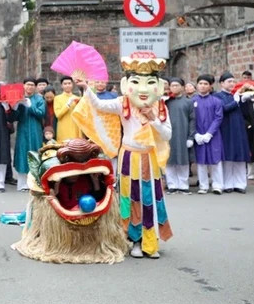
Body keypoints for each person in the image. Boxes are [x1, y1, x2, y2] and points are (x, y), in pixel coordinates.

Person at [72, 57, 172, 259]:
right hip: (128, 157)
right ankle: (134, 240)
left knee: (149, 199)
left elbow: (167, 134)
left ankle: (150, 242)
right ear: (127, 85)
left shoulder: (160, 107)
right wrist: (85, 88)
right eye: (136, 82)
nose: (143, 89)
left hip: (149, 159)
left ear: (159, 87)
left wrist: (153, 120)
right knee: (130, 198)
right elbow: (99, 105)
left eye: (150, 83)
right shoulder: (122, 103)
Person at [215, 72, 250, 193]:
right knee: (228, 157)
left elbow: (246, 113)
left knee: (240, 156)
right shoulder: (218, 96)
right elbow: (223, 109)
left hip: (239, 128)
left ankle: (240, 184)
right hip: (226, 129)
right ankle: (228, 184)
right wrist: (235, 101)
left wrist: (244, 100)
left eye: (233, 81)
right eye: (229, 81)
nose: (232, 84)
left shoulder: (237, 95)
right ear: (222, 83)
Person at [11, 78, 46, 191]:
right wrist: (15, 107)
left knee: (35, 153)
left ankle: (35, 183)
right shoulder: (19, 98)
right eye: (27, 84)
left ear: (35, 87)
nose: (30, 87)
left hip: (36, 130)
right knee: (22, 154)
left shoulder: (39, 99)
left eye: (32, 85)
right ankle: (22, 184)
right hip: (23, 130)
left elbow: (41, 113)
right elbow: (14, 117)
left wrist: (30, 106)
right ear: (24, 86)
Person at [192, 75, 224, 194]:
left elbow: (218, 118)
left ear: (210, 86)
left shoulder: (216, 101)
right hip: (198, 134)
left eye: (206, 84)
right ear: (197, 85)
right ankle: (203, 185)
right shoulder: (192, 101)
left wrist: (209, 133)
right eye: (200, 83)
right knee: (201, 161)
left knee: (215, 159)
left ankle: (218, 185)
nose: (203, 86)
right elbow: (190, 119)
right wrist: (195, 134)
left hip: (213, 135)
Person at [164, 78, 195, 194]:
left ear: (182, 87)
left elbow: (193, 120)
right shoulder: (167, 102)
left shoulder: (188, 102)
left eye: (177, 85)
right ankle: (172, 185)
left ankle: (183, 184)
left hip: (183, 133)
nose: (174, 88)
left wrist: (191, 137)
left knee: (183, 160)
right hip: (168, 134)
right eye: (172, 85)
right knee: (169, 160)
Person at [240, 71, 254, 180]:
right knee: (250, 149)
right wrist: (247, 124)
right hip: (249, 125)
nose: (247, 79)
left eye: (248, 77)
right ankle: (251, 172)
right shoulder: (241, 95)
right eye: (245, 77)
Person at [54, 76, 81, 141]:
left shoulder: (77, 98)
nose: (67, 85)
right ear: (61, 86)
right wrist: (68, 104)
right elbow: (58, 115)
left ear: (72, 85)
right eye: (65, 84)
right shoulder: (57, 98)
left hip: (75, 127)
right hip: (63, 127)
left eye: (69, 83)